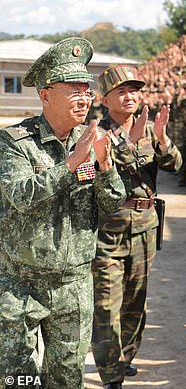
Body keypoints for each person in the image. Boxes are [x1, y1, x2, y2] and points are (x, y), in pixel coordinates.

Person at [0, 37, 126, 388]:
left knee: (68, 379)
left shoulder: (92, 140)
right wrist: (71, 163)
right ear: (45, 95)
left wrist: (102, 166)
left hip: (73, 286)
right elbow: (21, 195)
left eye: (86, 90)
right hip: (20, 286)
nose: (84, 98)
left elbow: (113, 202)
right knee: (17, 379)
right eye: (73, 90)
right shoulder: (14, 143)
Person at [91, 65, 182, 389]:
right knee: (105, 305)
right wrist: (126, 144)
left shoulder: (147, 129)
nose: (130, 97)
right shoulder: (96, 133)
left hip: (145, 227)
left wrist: (161, 139)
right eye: (122, 91)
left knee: (135, 301)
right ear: (105, 98)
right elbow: (98, 174)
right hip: (109, 232)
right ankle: (110, 373)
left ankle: (125, 358)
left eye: (134, 90)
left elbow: (175, 164)